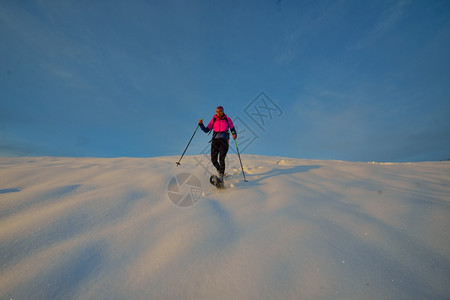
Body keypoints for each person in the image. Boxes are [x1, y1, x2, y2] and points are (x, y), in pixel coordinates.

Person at [199, 106, 237, 179]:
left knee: (221, 158)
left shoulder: (227, 119)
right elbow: (206, 130)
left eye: (220, 111)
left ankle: (221, 176)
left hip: (224, 140)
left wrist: (234, 134)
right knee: (213, 160)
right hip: (215, 141)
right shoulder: (213, 120)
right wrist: (201, 124)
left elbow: (232, 128)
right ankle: (220, 171)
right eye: (217, 111)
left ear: (223, 111)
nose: (218, 113)